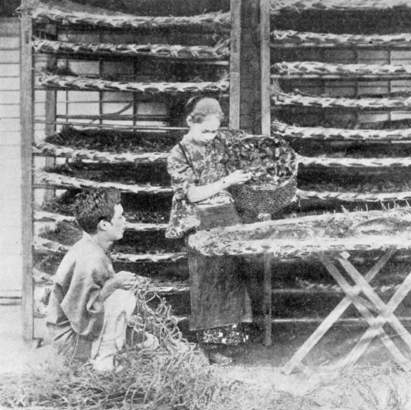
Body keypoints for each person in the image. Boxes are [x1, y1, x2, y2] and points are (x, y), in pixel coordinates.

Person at [166, 97, 255, 357]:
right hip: (199, 219)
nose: (210, 136)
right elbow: (192, 194)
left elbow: (251, 146)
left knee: (232, 277)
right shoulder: (178, 154)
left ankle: (231, 342)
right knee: (208, 282)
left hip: (227, 215)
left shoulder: (223, 140)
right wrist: (227, 180)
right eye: (205, 130)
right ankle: (211, 347)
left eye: (215, 130)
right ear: (189, 122)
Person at [46, 189, 158, 372]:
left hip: (76, 331)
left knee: (123, 297)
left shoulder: (93, 247)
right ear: (104, 225)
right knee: (121, 297)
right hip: (70, 342)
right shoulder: (89, 259)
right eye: (120, 217)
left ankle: (121, 344)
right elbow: (82, 319)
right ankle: (103, 363)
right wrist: (114, 284)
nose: (125, 221)